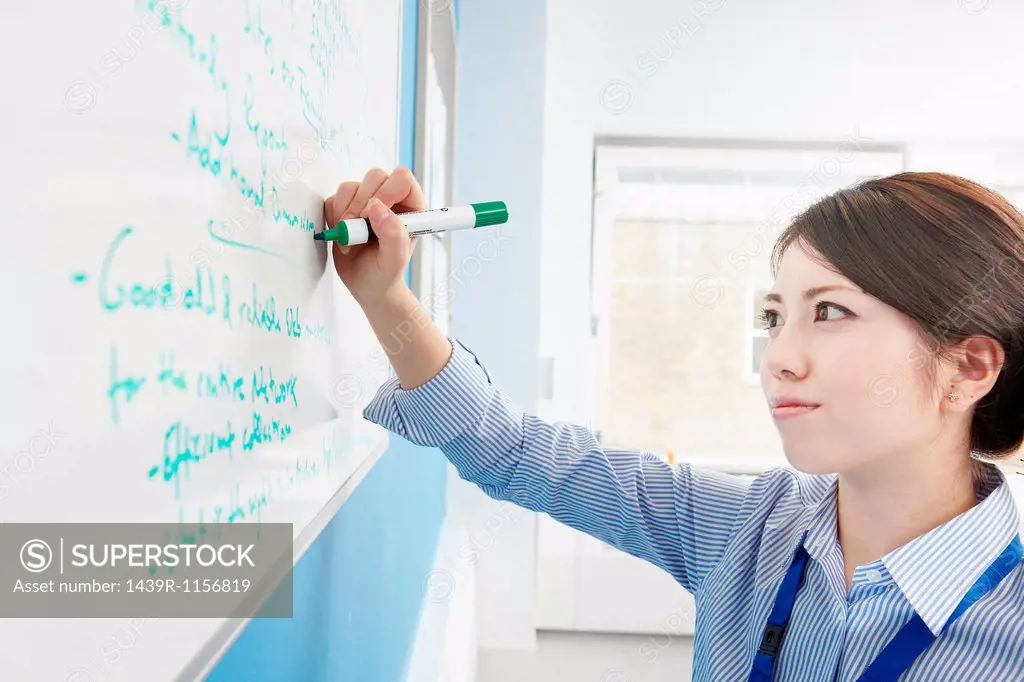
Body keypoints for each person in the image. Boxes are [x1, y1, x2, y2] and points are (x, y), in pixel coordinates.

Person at [325, 167, 1024, 681]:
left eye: (831, 312)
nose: (778, 357)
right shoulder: (749, 531)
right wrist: (385, 296)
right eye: (774, 317)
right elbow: (511, 450)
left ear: (968, 368)